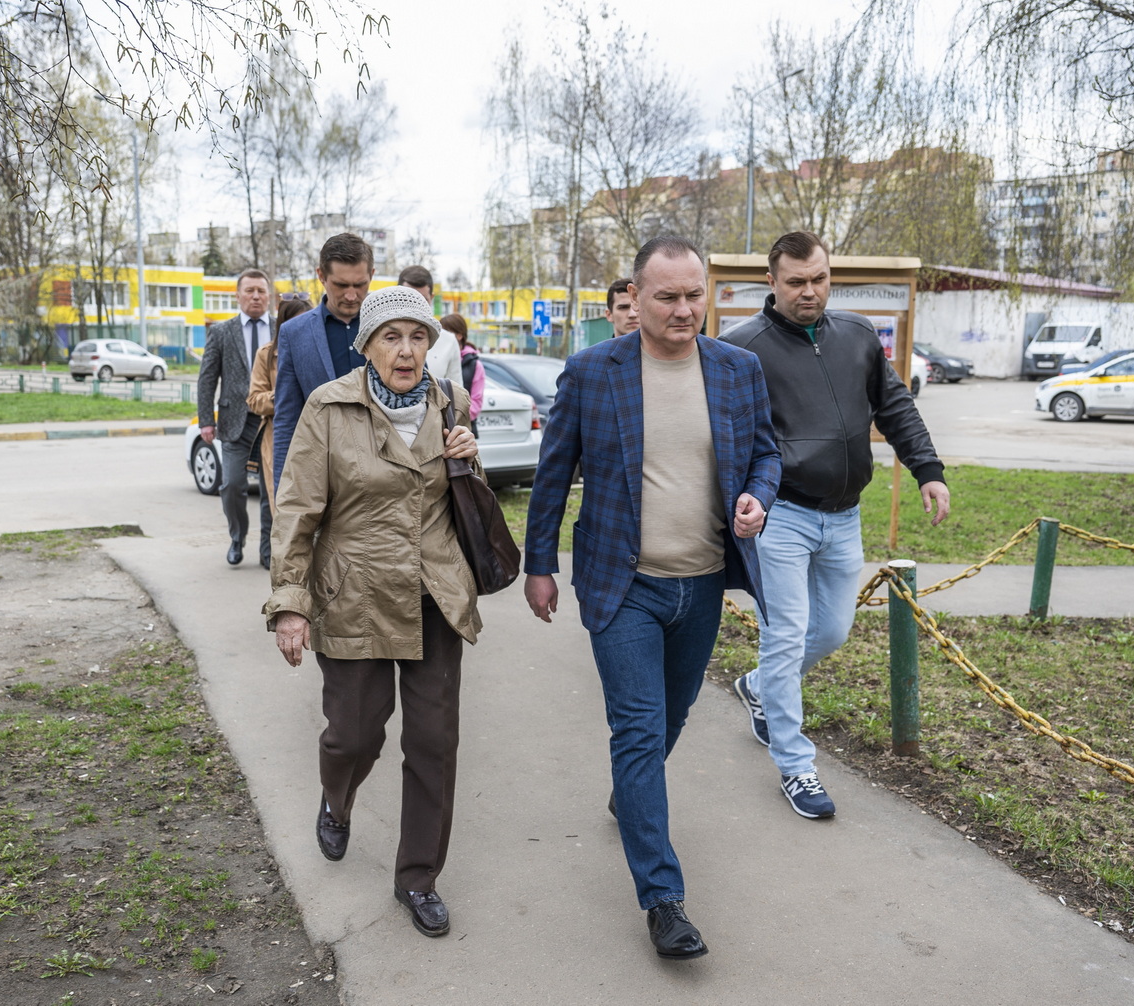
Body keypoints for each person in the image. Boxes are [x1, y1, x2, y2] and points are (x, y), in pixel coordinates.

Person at [523, 236, 781, 961]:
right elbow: (553, 473)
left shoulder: (737, 370)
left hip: (700, 585)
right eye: (666, 296)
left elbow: (766, 450)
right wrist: (537, 565)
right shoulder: (593, 372)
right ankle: (663, 899)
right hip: (621, 584)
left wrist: (759, 496)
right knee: (637, 732)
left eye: (694, 294)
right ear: (633, 299)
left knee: (670, 718)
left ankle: (629, 794)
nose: (683, 309)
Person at [264, 285, 483, 940]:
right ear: (366, 347)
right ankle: (337, 798)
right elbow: (297, 511)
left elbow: (457, 498)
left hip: (433, 593)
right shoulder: (330, 409)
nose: (408, 350)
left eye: (419, 337)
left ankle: (418, 876)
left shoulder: (448, 405)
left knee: (435, 743)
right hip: (352, 591)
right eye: (393, 337)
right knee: (354, 733)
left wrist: (470, 457)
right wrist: (290, 605)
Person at [720, 231, 950, 820]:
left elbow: (894, 406)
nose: (810, 292)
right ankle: (797, 767)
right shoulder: (741, 347)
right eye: (796, 281)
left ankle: (759, 687)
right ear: (771, 283)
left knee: (833, 632)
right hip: (782, 516)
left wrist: (927, 468)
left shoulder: (856, 336)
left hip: (844, 516)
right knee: (787, 634)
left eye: (819, 279)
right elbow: (720, 436)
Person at [272, 233, 376, 492]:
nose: (352, 295)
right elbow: (287, 418)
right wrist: (282, 491)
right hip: (323, 477)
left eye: (360, 284)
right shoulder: (294, 333)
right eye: (341, 285)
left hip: (384, 476)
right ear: (321, 275)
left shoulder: (390, 326)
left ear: (371, 274)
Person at [198, 267, 275, 566]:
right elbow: (207, 378)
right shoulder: (221, 331)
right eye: (249, 291)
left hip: (271, 422)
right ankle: (237, 536)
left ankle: (267, 549)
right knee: (231, 485)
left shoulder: (283, 328)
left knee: (271, 491)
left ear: (269, 296)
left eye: (261, 291)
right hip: (234, 423)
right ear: (238, 296)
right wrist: (206, 419)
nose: (255, 296)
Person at [245, 296, 313, 566]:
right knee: (277, 503)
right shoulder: (267, 354)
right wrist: (285, 395)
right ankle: (278, 560)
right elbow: (254, 399)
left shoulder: (316, 351)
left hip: (315, 436)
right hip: (278, 436)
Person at [399, 265, 464, 388]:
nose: (416, 306)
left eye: (422, 300)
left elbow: (456, 394)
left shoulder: (449, 341)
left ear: (431, 298)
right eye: (408, 299)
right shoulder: (379, 338)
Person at [439, 314, 485, 423]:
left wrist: (457, 417)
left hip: (464, 425)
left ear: (459, 335)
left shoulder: (474, 365)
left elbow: (476, 401)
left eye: (445, 332)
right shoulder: (439, 360)